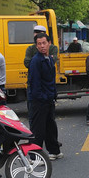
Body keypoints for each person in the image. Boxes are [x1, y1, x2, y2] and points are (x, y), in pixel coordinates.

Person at [28, 32, 61, 160]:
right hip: (38, 101)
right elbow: (35, 84)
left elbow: (51, 80)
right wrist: (43, 97)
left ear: (49, 44)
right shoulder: (36, 61)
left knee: (50, 127)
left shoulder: (49, 59)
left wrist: (53, 95)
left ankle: (54, 151)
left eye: (44, 43)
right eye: (39, 44)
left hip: (48, 99)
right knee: (38, 130)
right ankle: (34, 157)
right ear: (36, 46)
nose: (42, 46)